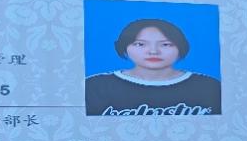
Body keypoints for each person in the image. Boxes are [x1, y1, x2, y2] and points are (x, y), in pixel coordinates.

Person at [85, 19, 221, 116]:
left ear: (181, 47)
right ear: (124, 47)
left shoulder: (209, 86)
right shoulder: (95, 85)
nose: (153, 51)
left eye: (166, 44)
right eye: (140, 44)